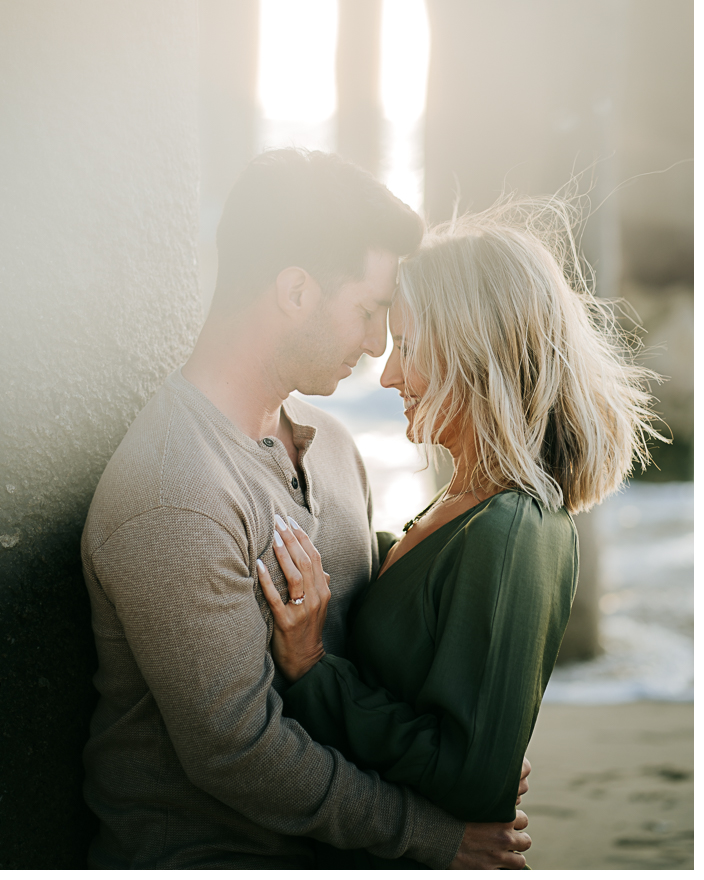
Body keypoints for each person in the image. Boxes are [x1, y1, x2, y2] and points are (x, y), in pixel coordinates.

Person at [81, 149, 533, 870]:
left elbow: (361, 648)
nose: (380, 345)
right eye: (370, 310)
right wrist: (430, 833)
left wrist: (457, 758)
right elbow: (239, 752)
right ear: (295, 291)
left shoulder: (333, 450)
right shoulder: (177, 492)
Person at [257, 196, 660, 869]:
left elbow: (473, 776)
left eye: (408, 346)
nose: (387, 375)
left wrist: (311, 671)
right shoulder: (467, 503)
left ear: (476, 350)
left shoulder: (510, 530)